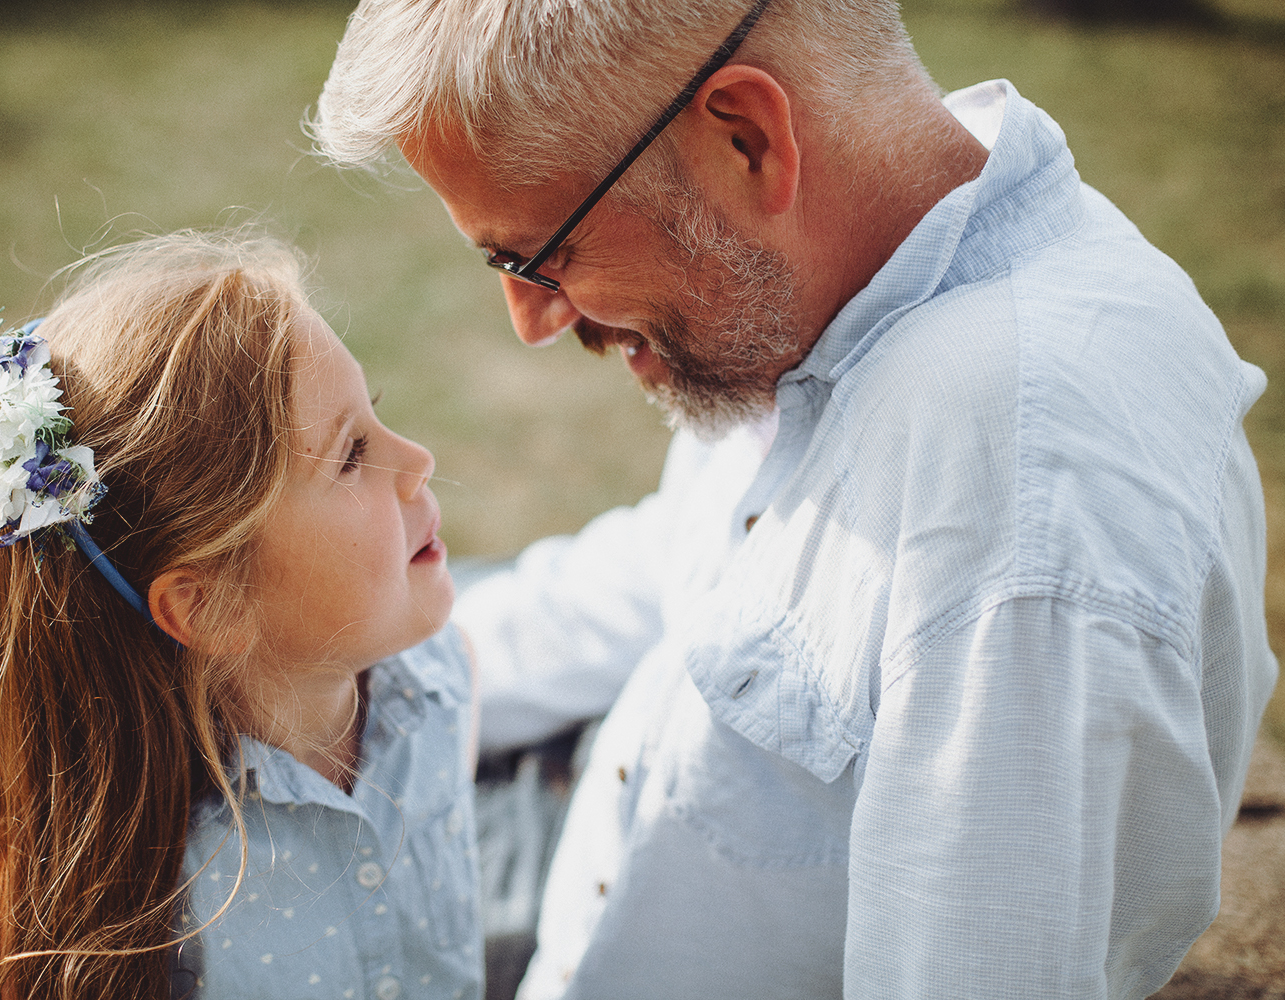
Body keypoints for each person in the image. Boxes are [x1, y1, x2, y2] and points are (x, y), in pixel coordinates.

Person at [312, 1, 1278, 997]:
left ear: (746, 136)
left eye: (537, 254)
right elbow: (691, 562)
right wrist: (358, 665)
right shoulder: (843, 277)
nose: (531, 319)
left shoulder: (1021, 511)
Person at [0, 231, 482, 1000]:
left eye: (374, 416)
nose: (417, 460)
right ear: (208, 605)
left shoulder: (441, 685)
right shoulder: (143, 894)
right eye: (349, 454)